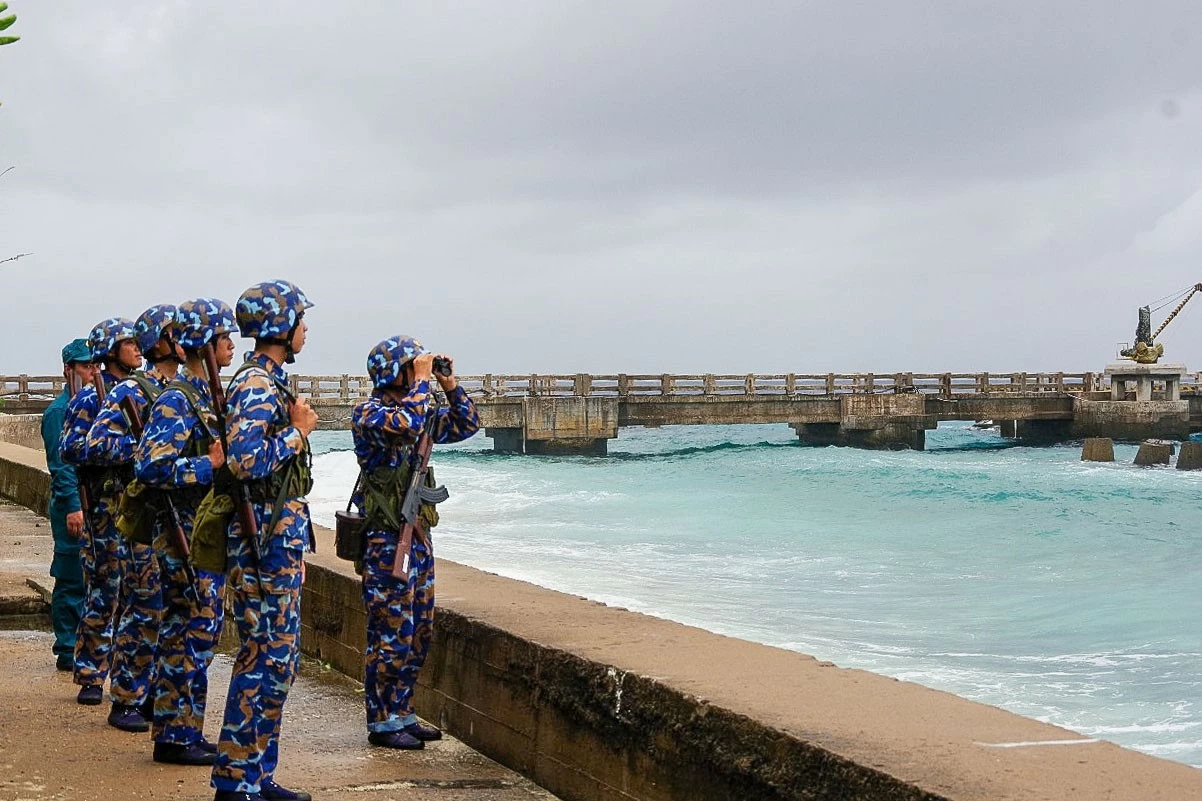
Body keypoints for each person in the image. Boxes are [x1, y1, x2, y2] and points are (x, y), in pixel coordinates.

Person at [210, 280, 318, 801]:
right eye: (300, 320)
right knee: (262, 659)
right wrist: (298, 432)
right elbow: (243, 461)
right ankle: (235, 782)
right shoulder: (256, 384)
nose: (305, 329)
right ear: (280, 325)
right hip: (262, 544)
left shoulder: (270, 381)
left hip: (278, 542)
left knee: (280, 662)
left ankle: (256, 774)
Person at [352, 335, 478, 749]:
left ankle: (403, 712)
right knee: (391, 633)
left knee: (419, 630)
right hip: (385, 540)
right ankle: (382, 720)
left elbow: (467, 424)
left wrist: (447, 383)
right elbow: (405, 423)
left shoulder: (419, 410)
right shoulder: (369, 414)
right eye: (412, 366)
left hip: (416, 538)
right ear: (394, 373)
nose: (418, 372)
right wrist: (422, 381)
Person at [135, 298, 236, 766]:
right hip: (183, 535)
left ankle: (181, 729)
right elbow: (149, 468)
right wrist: (206, 465)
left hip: (203, 534)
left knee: (194, 633)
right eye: (224, 337)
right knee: (190, 633)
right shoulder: (178, 400)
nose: (231, 345)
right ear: (205, 344)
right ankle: (176, 735)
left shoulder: (207, 396)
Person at [86, 304, 182, 732]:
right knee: (143, 606)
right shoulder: (133, 391)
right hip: (141, 516)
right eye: (175, 331)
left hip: (177, 515)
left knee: (169, 610)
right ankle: (126, 696)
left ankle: (152, 695)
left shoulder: (181, 389)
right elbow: (94, 444)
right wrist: (144, 450)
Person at [60, 317, 140, 706]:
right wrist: (129, 449)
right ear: (111, 350)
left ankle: (128, 677)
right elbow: (71, 449)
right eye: (129, 343)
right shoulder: (90, 398)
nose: (137, 348)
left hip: (135, 508)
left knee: (135, 595)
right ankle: (91, 674)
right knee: (103, 591)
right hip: (104, 510)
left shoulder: (138, 392)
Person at [40, 339, 95, 672]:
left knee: (91, 578)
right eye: (85, 366)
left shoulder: (89, 406)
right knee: (71, 576)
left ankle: (85, 643)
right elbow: (61, 467)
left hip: (91, 503)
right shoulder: (59, 412)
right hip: (70, 505)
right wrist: (74, 506)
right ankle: (66, 648)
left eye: (93, 365)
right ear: (68, 369)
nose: (91, 372)